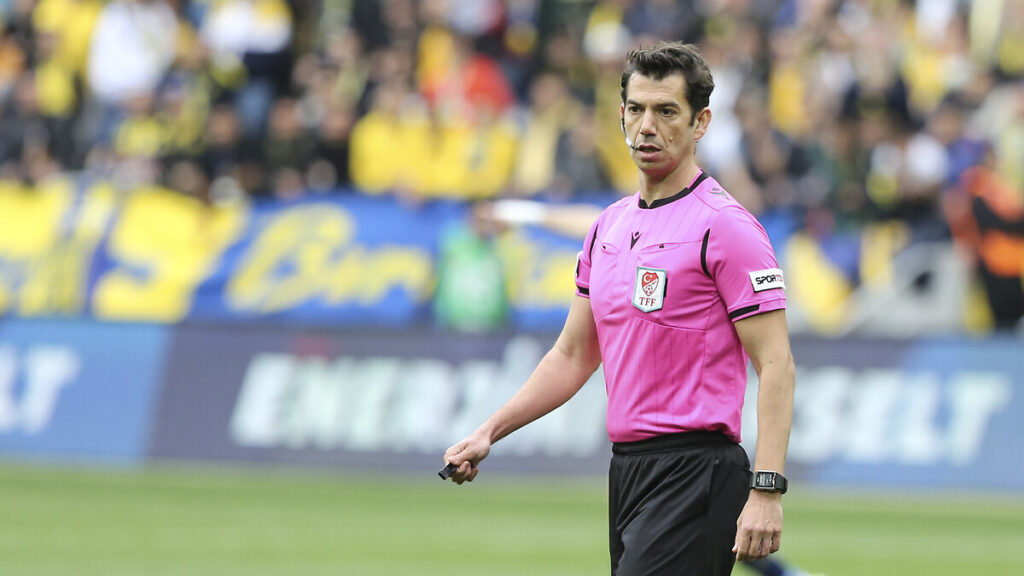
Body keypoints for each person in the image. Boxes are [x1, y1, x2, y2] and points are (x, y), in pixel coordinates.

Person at [442, 42, 796, 576]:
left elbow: (776, 362)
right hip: (628, 471)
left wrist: (767, 488)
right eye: (637, 109)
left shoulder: (727, 226)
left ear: (700, 123)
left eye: (667, 111)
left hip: (697, 470)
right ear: (621, 115)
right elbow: (572, 355)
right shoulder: (607, 227)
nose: (647, 126)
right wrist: (489, 430)